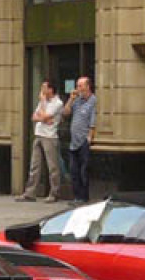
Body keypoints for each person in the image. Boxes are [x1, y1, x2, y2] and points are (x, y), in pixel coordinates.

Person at [16, 80, 63, 202]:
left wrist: (43, 109)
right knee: (34, 165)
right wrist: (43, 118)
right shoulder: (43, 102)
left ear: (51, 90)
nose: (42, 90)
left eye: (44, 88)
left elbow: (45, 115)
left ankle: (54, 193)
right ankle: (30, 193)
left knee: (52, 166)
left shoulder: (57, 103)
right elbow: (34, 117)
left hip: (50, 137)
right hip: (39, 134)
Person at [61, 75, 97, 204]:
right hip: (73, 142)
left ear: (88, 86)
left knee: (83, 171)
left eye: (80, 86)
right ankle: (77, 197)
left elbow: (93, 121)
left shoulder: (93, 101)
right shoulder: (77, 101)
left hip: (83, 142)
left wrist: (89, 138)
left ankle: (84, 197)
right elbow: (65, 113)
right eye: (77, 86)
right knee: (74, 171)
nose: (78, 88)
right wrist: (71, 99)